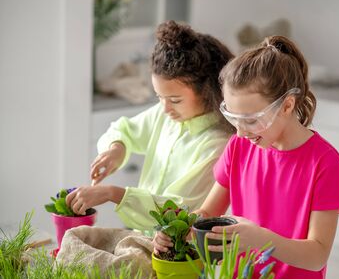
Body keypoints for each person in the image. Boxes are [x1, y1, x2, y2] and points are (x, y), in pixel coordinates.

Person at [153, 35, 339, 279]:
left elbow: (317, 256)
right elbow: (207, 214)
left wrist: (261, 239)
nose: (241, 131)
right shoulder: (239, 146)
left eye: (252, 119)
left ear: (287, 105)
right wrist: (176, 231)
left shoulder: (325, 163)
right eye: (234, 119)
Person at [66, 20, 234, 234]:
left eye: (174, 100)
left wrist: (112, 193)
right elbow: (124, 129)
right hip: (143, 239)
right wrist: (116, 149)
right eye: (159, 97)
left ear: (207, 91)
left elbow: (179, 210)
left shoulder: (218, 144)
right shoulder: (166, 116)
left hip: (179, 253)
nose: (165, 109)